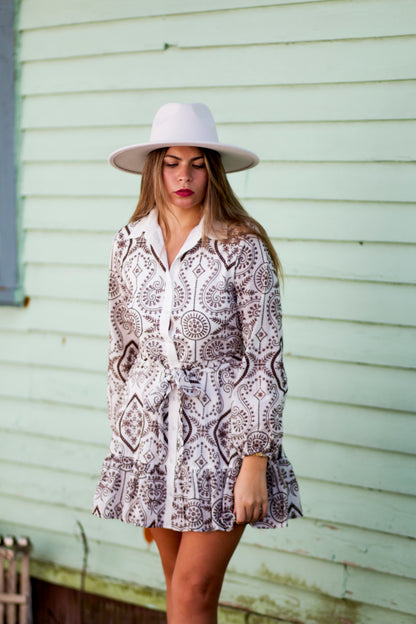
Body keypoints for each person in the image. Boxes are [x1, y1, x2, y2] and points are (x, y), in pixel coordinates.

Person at [92, 102, 302, 624]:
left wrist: (255, 458)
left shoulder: (242, 247)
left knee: (191, 591)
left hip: (221, 445)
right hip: (151, 443)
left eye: (197, 163)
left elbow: (264, 358)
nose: (183, 176)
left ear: (213, 170)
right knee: (180, 590)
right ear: (153, 168)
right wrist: (127, 440)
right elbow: (123, 349)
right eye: (170, 162)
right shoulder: (128, 243)